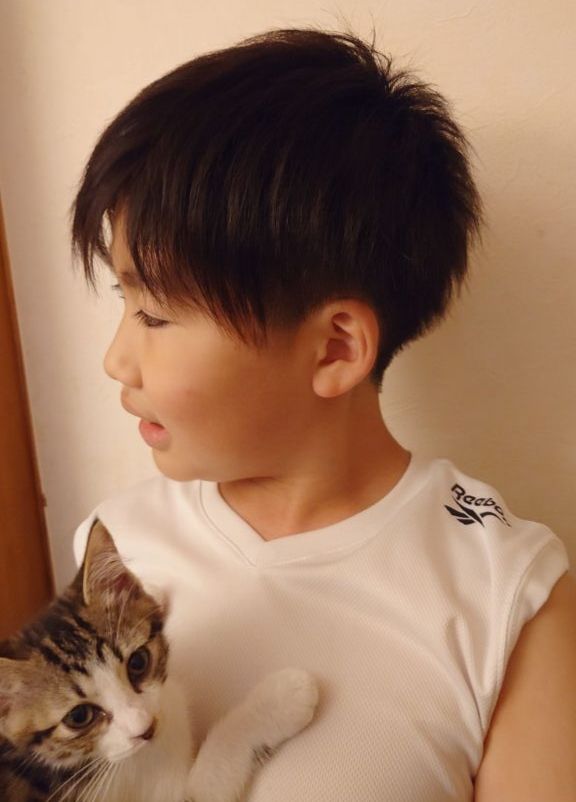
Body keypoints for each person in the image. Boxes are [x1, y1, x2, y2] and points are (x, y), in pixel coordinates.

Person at [70, 27, 576, 801]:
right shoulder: (116, 552)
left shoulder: (507, 593)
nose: (116, 359)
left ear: (336, 347)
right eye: (123, 298)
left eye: (156, 315)